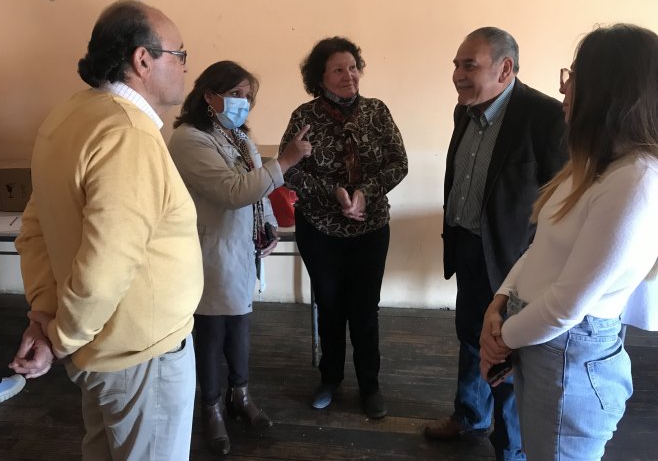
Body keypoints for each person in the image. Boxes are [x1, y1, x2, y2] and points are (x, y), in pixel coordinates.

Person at [9, 0, 203, 461]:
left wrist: (45, 315)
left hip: (106, 353)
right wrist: (59, 337)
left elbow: (35, 227)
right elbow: (105, 267)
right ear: (143, 59)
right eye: (180, 54)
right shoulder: (126, 134)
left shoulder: (71, 115)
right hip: (141, 357)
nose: (184, 68)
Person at [480, 24, 658, 461]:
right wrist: (499, 302)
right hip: (541, 337)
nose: (563, 85)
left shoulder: (635, 180)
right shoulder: (594, 163)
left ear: (608, 89)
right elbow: (541, 248)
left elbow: (567, 305)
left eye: (574, 75)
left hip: (567, 352)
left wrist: (503, 338)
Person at [423, 27, 568, 460]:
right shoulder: (464, 112)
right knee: (470, 334)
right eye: (455, 64)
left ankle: (510, 446)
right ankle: (469, 415)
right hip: (467, 247)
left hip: (514, 259)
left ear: (505, 68)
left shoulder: (545, 116)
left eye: (469, 64)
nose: (457, 75)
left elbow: (559, 199)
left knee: (504, 349)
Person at [168, 60, 311, 455]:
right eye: (235, 94)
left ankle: (240, 396)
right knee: (212, 334)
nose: (243, 103)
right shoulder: (189, 139)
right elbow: (232, 191)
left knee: (240, 328)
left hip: (240, 250)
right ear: (208, 95)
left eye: (247, 97)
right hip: (208, 251)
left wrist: (267, 227)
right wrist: (284, 161)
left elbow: (257, 191)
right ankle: (210, 408)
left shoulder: (238, 137)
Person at [279, 37, 408, 419]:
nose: (349, 75)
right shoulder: (304, 116)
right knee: (331, 308)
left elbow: (398, 162)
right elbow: (290, 170)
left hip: (370, 229)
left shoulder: (377, 111)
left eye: (353, 67)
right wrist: (333, 193)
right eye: (338, 69)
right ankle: (330, 378)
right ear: (320, 77)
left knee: (366, 310)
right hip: (320, 229)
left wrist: (365, 193)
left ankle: (370, 385)